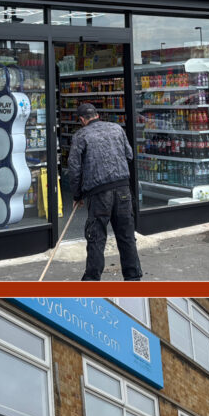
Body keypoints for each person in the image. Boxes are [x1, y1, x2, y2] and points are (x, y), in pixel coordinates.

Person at [67, 101, 142, 282]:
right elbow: (129, 155)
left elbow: (74, 168)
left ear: (82, 120)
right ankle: (133, 278)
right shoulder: (117, 129)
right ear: (97, 115)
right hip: (123, 189)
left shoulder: (80, 135)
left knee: (96, 237)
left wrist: (77, 195)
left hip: (99, 193)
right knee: (126, 236)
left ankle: (92, 281)